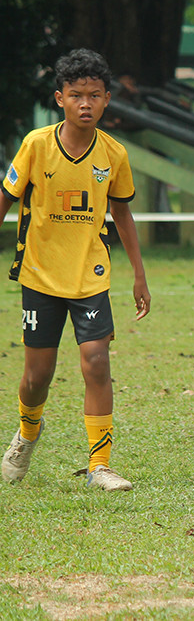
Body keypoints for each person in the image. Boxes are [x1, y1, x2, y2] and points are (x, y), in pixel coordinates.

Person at [0, 48, 151, 491]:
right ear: (60, 98)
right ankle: (28, 432)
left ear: (107, 100)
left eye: (95, 95)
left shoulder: (114, 154)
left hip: (90, 276)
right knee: (36, 377)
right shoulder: (36, 145)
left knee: (97, 361)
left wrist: (139, 274)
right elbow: (6, 197)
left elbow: (122, 214)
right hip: (40, 275)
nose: (86, 104)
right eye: (76, 95)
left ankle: (100, 465)